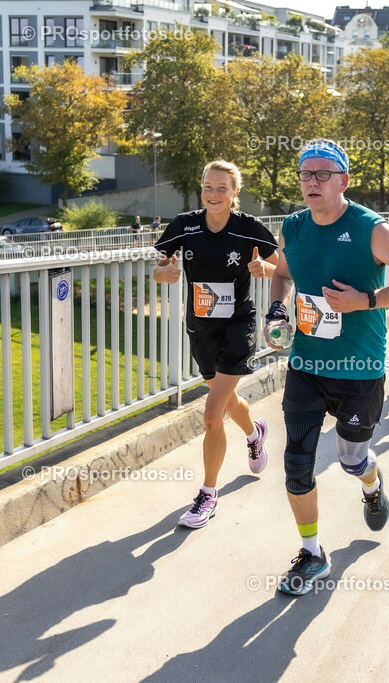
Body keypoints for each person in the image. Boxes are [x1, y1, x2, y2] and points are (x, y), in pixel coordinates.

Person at [265, 139, 389, 595]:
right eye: (305, 174)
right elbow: (282, 273)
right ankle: (312, 553)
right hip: (306, 365)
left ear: (344, 181)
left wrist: (365, 300)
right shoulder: (293, 226)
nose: (311, 182)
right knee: (297, 465)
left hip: (358, 369)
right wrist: (277, 312)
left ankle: (372, 487)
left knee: (352, 460)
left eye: (323, 174)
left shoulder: (371, 229)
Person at [153, 161, 279, 530]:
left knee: (211, 413)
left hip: (238, 325)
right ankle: (254, 433)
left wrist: (266, 270)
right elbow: (158, 269)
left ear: (235, 192)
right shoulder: (184, 224)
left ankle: (208, 494)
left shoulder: (249, 227)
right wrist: (166, 274)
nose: (213, 193)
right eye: (208, 186)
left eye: (222, 187)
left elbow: (285, 270)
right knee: (224, 400)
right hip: (201, 327)